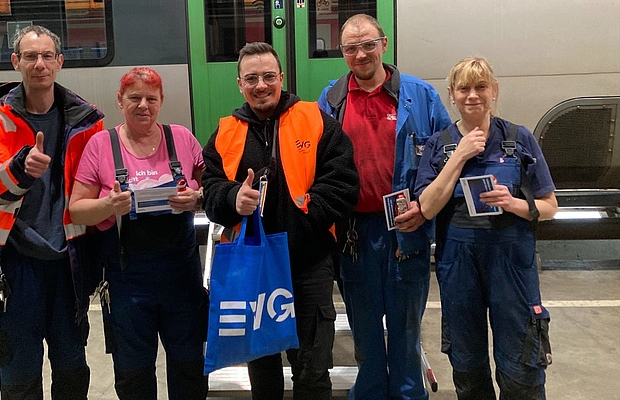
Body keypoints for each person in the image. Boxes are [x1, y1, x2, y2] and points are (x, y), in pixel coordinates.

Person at [0, 25, 105, 399]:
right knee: (18, 372)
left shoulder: (88, 122)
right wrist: (19, 169)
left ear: (59, 62)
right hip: (15, 264)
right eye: (30, 56)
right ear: (16, 62)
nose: (39, 64)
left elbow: (100, 184)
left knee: (72, 367)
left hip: (68, 264)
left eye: (47, 56)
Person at [202, 42, 359, 399]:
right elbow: (210, 190)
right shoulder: (226, 132)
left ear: (281, 78)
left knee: (312, 369)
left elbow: (344, 182)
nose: (261, 85)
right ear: (240, 83)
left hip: (307, 265)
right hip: (254, 268)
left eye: (269, 76)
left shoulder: (315, 119)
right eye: (252, 78)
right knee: (262, 367)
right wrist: (232, 199)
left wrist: (305, 223)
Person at [318, 13, 451, 400]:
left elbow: (445, 157)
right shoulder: (330, 101)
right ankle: (371, 390)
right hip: (355, 233)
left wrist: (425, 209)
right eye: (351, 48)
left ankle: (410, 393)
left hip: (405, 229)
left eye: (368, 45)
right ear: (343, 53)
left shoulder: (420, 95)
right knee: (365, 327)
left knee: (406, 324)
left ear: (384, 45)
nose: (361, 54)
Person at [414, 57, 556, 399]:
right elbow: (428, 206)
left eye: (481, 87)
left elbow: (550, 207)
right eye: (464, 88)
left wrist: (513, 203)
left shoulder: (518, 139)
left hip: (512, 266)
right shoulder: (439, 145)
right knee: (466, 360)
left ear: (494, 91)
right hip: (459, 266)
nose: (472, 95)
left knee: (520, 361)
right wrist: (459, 156)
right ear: (452, 94)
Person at [69, 67, 209, 400]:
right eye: (134, 98)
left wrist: (197, 198)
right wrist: (108, 206)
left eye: (151, 98)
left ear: (161, 101)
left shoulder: (182, 138)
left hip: (182, 277)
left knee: (190, 366)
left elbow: (211, 186)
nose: (142, 105)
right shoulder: (101, 146)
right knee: (133, 374)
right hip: (128, 278)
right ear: (120, 100)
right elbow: (76, 209)